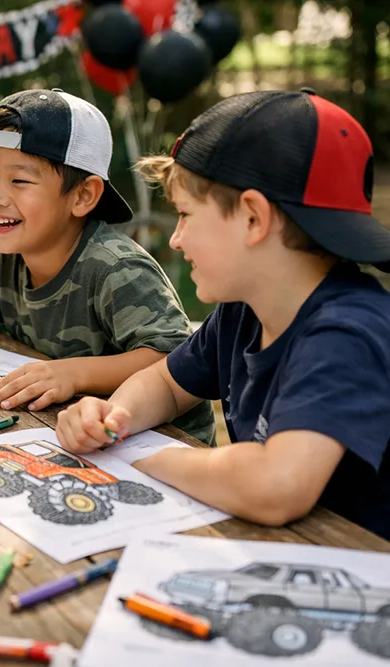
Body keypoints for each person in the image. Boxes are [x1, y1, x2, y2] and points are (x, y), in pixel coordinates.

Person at [56, 90, 390, 539]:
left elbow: (275, 487)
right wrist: (114, 419)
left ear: (253, 218)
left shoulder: (348, 333)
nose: (175, 239)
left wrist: (142, 459)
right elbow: (166, 384)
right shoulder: (244, 310)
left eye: (186, 214)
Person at [0, 89, 215, 444]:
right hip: (66, 437)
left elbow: (173, 361)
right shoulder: (4, 259)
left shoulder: (117, 268)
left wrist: (72, 374)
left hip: (161, 447)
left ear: (83, 195)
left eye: (20, 181)